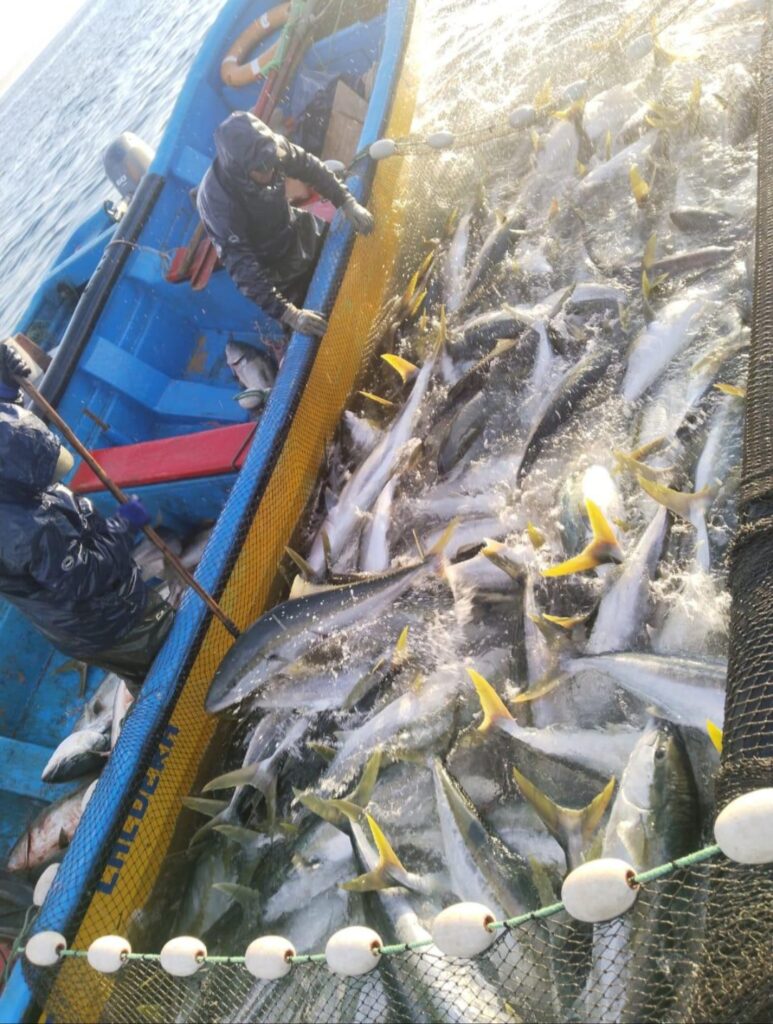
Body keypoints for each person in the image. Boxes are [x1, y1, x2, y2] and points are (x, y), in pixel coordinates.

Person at [0, 342, 173, 692]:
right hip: (106, 622)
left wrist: (6, 391)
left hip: (96, 599)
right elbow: (85, 575)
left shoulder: (10, 469)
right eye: (46, 473)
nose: (56, 476)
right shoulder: (21, 530)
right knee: (170, 665)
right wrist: (121, 526)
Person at [197, 111, 375, 338]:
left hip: (297, 229)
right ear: (241, 171)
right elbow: (243, 268)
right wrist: (289, 313)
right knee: (317, 330)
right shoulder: (219, 203)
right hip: (271, 269)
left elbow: (310, 166)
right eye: (261, 167)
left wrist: (346, 201)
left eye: (271, 161)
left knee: (355, 263)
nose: (270, 170)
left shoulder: (271, 149)